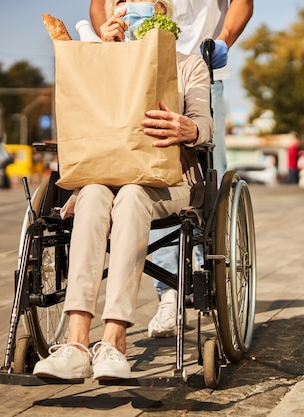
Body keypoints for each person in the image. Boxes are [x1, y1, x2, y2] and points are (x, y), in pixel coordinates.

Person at [31, 1, 213, 380]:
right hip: (101, 179)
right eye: (123, 4)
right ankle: (77, 342)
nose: (132, 11)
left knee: (131, 195)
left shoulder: (188, 64)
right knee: (95, 193)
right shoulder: (98, 61)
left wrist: (188, 129)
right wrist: (103, 54)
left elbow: (205, 126)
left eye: (143, 5)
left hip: (168, 183)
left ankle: (114, 341)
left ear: (162, 12)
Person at [90, 0, 253, 338]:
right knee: (143, 176)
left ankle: (206, 274)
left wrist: (221, 41)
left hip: (197, 67)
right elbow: (98, 5)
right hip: (131, 68)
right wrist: (107, 43)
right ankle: (170, 292)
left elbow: (242, 3)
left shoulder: (193, 66)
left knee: (205, 178)